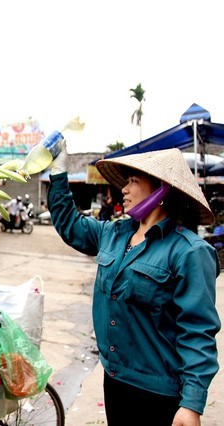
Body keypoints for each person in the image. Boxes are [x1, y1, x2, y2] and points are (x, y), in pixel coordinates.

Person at [48, 145, 220, 425]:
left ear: (161, 188)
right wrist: (57, 173)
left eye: (133, 181)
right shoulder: (114, 234)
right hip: (115, 380)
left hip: (158, 393)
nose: (123, 189)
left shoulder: (189, 251)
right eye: (125, 181)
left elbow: (198, 331)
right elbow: (70, 225)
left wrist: (192, 402)